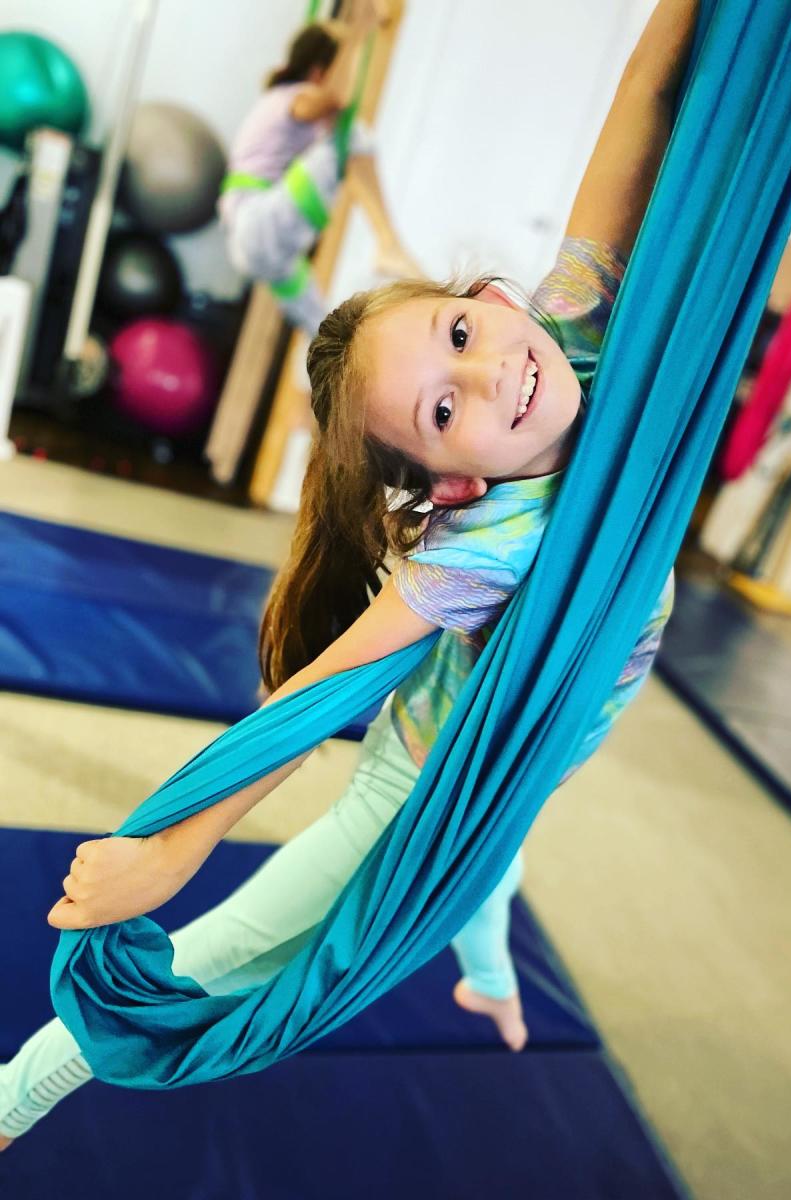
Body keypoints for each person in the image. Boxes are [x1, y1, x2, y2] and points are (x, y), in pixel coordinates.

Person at [0, 0, 700, 1150]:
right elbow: (313, 696)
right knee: (229, 949)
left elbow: (645, 106)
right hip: (423, 783)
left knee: (492, 865)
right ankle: (19, 1085)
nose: (489, 384)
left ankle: (492, 983)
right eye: (441, 409)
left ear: (492, 298)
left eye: (462, 341)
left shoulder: (576, 334)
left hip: (512, 763)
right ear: (450, 484)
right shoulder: (484, 542)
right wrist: (169, 851)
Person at [218, 0, 419, 334]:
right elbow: (337, 99)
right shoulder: (293, 97)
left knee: (321, 327)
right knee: (351, 135)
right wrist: (363, 28)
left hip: (260, 246)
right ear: (317, 72)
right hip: (257, 222)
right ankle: (388, 242)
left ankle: (329, 376)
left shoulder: (276, 104)